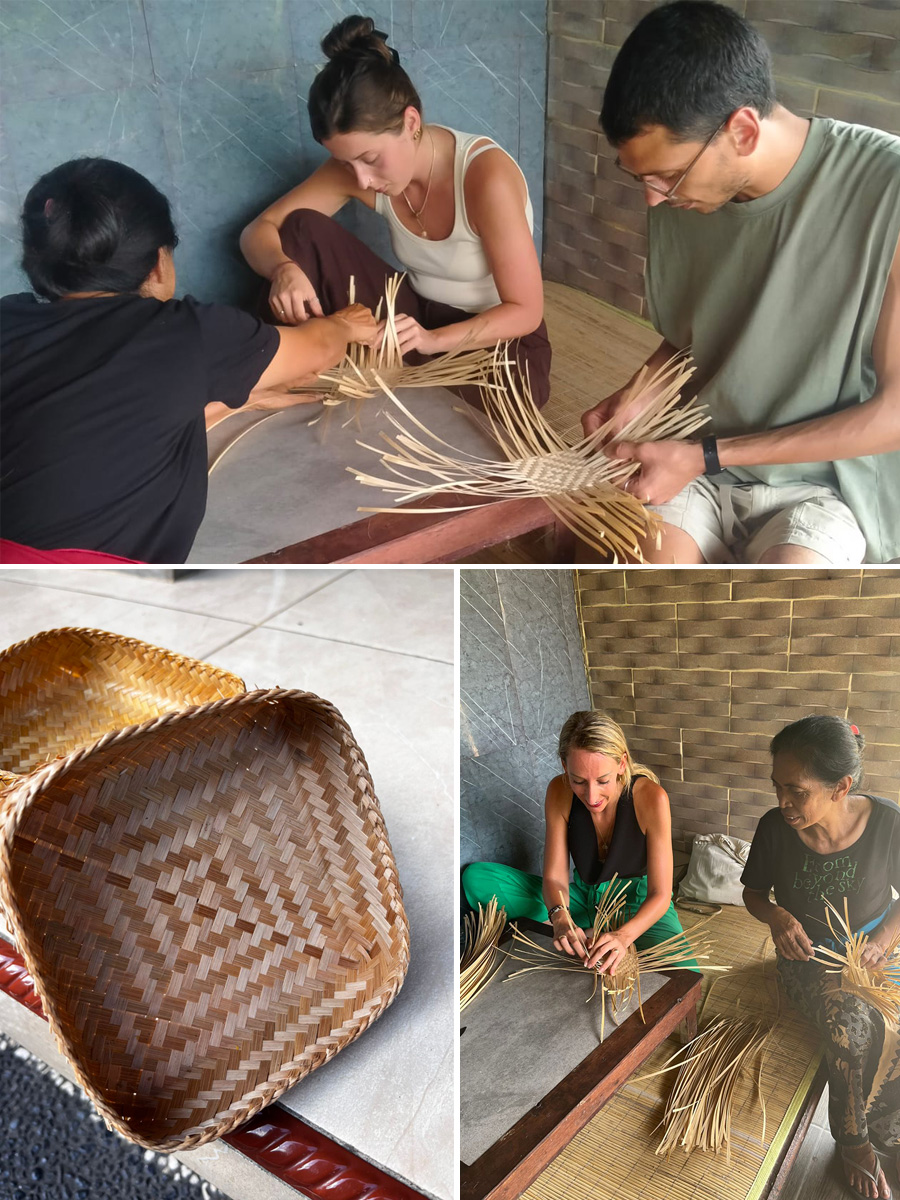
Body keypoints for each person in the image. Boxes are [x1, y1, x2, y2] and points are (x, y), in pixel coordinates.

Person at [580, 0, 900, 566]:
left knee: (766, 624)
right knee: (648, 590)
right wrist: (639, 396)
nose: (654, 199)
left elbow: (894, 414)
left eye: (668, 176)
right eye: (641, 177)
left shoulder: (888, 190)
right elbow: (694, 336)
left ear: (743, 130)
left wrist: (705, 455)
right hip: (694, 460)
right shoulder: (680, 196)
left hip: (827, 490)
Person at [0, 157, 376, 563]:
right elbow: (317, 350)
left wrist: (236, 398)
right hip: (91, 605)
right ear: (159, 264)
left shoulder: (8, 321)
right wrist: (346, 325)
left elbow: (82, 431)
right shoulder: (183, 331)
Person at [240, 15, 550, 408]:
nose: (362, 179)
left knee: (495, 405)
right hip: (412, 314)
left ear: (411, 122)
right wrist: (282, 268)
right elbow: (258, 231)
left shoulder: (485, 177)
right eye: (348, 163)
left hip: (495, 337)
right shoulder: (356, 171)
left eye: (370, 159)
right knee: (299, 230)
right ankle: (247, 375)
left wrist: (434, 340)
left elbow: (526, 312)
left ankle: (393, 376)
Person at [742, 716, 900, 1200]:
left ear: (841, 787)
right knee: (849, 1022)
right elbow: (752, 893)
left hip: (873, 952)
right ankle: (852, 1140)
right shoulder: (774, 828)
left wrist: (887, 939)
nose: (782, 802)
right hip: (807, 956)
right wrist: (777, 918)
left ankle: (889, 1122)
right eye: (776, 787)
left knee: (891, 1022)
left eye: (796, 790)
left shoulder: (889, 823)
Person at [463, 711, 694, 974]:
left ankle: (605, 934)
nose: (592, 796)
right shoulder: (558, 792)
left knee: (685, 975)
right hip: (584, 900)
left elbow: (661, 894)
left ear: (621, 763)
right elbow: (555, 878)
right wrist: (560, 917)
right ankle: (588, 930)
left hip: (639, 905)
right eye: (579, 781)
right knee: (477, 878)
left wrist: (624, 936)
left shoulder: (651, 798)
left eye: (603, 781)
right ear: (564, 766)